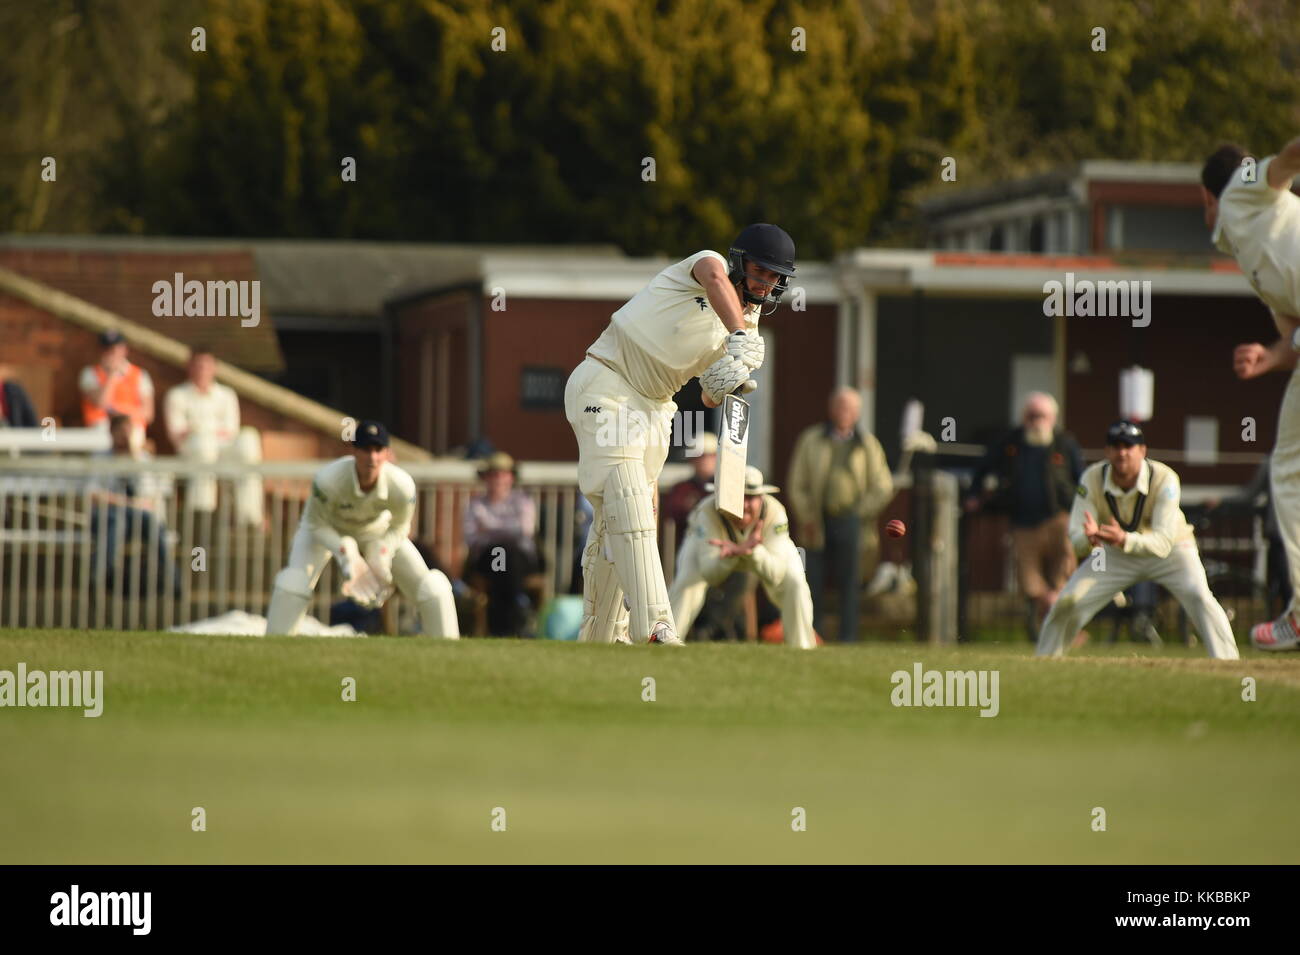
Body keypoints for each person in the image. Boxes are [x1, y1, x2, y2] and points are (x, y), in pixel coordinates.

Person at [563, 222, 795, 645]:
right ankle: (656, 625)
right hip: (608, 381)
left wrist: (725, 379)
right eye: (761, 271)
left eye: (775, 277)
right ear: (741, 263)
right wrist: (739, 334)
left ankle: (600, 640)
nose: (766, 283)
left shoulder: (750, 325)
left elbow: (706, 397)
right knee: (628, 496)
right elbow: (713, 279)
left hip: (656, 408)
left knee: (624, 521)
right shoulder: (705, 266)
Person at [1035, 421, 1239, 660]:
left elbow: (1162, 543)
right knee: (1069, 601)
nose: (1122, 453)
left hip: (1173, 551)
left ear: (1142, 451)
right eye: (1116, 446)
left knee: (1199, 596)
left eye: (1129, 446)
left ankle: (1228, 662)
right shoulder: (1091, 478)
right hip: (1114, 553)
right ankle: (1045, 661)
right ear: (1107, 451)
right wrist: (1089, 540)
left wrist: (1124, 538)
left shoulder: (1164, 478)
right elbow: (1077, 537)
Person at [1206, 135, 1300, 650]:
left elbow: (1285, 160)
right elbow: (1294, 339)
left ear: (1206, 199)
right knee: (1288, 470)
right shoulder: (1251, 247)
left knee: (1288, 470)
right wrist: (1269, 357)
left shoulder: (1240, 193)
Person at [264, 420, 459, 637]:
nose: (372, 458)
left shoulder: (402, 486)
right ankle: (276, 644)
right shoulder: (328, 480)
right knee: (293, 583)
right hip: (327, 531)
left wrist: (382, 552)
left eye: (378, 450)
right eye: (366, 449)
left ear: (386, 453)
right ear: (354, 452)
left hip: (376, 533)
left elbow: (400, 527)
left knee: (434, 589)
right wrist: (346, 551)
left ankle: (448, 649)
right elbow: (314, 524)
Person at [964, 392, 1084, 638]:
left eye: (1041, 416)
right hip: (1022, 522)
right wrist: (974, 495)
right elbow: (982, 467)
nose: (1036, 421)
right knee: (1027, 577)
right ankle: (1045, 616)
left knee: (1064, 571)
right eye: (1031, 416)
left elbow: (1081, 479)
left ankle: (1066, 629)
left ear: (1052, 418)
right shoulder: (1011, 442)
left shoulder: (1065, 443)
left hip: (1059, 518)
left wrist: (1084, 508)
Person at [786, 387, 893, 642]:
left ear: (857, 413)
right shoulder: (811, 440)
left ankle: (848, 638)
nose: (844, 412)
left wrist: (862, 511)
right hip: (817, 521)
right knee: (813, 582)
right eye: (840, 406)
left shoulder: (868, 444)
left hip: (853, 522)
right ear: (831, 410)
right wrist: (806, 516)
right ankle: (814, 636)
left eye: (850, 408)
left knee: (850, 583)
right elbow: (796, 484)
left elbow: (883, 486)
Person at [669, 466, 815, 648]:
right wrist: (731, 555)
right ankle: (668, 641)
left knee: (795, 583)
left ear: (761, 498)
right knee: (687, 582)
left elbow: (776, 574)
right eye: (737, 497)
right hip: (717, 555)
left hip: (762, 553)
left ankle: (802, 648)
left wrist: (753, 551)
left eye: (751, 497)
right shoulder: (707, 511)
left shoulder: (775, 512)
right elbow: (709, 573)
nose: (744, 505)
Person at [163, 348, 265, 525]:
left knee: (249, 440)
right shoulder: (176, 395)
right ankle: (202, 521)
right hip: (193, 455)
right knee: (204, 448)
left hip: (224, 453)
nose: (202, 370)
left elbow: (232, 432)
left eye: (206, 366)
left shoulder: (226, 395)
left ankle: (250, 520)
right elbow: (176, 435)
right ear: (190, 368)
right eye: (198, 366)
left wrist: (197, 428)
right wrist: (207, 434)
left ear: (214, 368)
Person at [663, 431, 748, 641]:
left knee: (742, 577)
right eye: (698, 457)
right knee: (689, 583)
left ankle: (715, 627)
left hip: (729, 548)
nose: (702, 461)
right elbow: (674, 511)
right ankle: (685, 632)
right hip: (694, 549)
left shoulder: (731, 485)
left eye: (707, 456)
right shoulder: (682, 488)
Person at [88, 414, 180, 599]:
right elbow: (94, 494)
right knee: (116, 522)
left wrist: (134, 457)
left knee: (152, 523)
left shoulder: (141, 459)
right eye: (120, 432)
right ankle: (101, 579)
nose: (123, 437)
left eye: (127, 432)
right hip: (109, 515)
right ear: (111, 433)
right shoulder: (100, 459)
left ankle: (175, 583)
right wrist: (127, 503)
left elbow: (148, 494)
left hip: (138, 517)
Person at [463, 451, 540, 636]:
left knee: (506, 556)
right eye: (493, 474)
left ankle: (503, 621)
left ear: (511, 478)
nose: (497, 479)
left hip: (518, 560)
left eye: (502, 474)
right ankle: (515, 614)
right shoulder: (476, 504)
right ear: (486, 478)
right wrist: (504, 532)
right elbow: (471, 538)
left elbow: (525, 530)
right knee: (501, 554)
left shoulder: (523, 501)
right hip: (488, 558)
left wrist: (489, 529)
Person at [79, 330, 154, 449]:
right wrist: (112, 375)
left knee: (133, 438)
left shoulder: (140, 375)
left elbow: (148, 414)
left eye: (116, 349)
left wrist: (121, 414)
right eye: (108, 350)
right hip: (101, 429)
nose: (113, 354)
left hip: (132, 428)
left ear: (125, 350)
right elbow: (101, 402)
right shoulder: (90, 374)